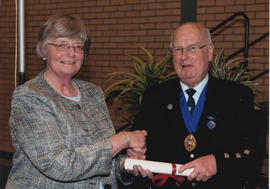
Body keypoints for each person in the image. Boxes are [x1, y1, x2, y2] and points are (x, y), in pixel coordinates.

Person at [6, 14, 152, 189]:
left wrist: (124, 165)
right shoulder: (29, 97)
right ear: (44, 50)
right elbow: (59, 164)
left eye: (78, 46)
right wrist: (124, 138)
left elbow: (100, 155)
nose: (71, 53)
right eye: (62, 45)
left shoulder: (93, 93)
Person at [133, 22, 257, 189]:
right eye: (178, 49)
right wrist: (137, 160)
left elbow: (253, 158)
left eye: (192, 48)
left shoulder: (237, 96)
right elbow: (140, 148)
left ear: (210, 52)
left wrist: (217, 162)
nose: (184, 56)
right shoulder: (154, 97)